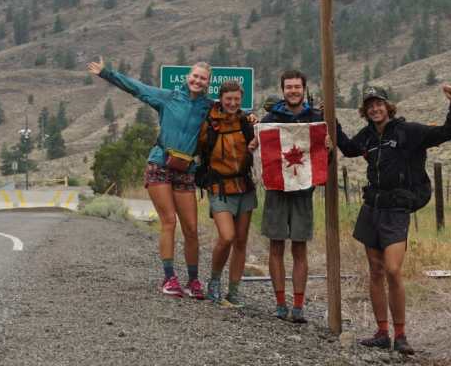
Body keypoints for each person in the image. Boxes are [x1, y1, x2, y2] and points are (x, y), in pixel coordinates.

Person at [88, 56, 213, 299]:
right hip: (160, 165)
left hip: (186, 170)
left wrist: (250, 117)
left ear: (208, 83)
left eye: (203, 79)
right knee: (169, 221)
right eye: (195, 76)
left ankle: (194, 281)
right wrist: (107, 73)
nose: (198, 81)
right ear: (188, 77)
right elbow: (136, 88)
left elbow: (232, 113)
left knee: (191, 228)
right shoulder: (168, 98)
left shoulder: (208, 107)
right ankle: (169, 279)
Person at [349, 84, 451, 355]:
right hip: (372, 207)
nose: (375, 109)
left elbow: (447, 132)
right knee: (375, 270)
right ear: (365, 111)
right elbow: (347, 148)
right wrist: (328, 121)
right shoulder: (366, 136)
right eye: (370, 106)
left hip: (396, 209)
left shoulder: (408, 131)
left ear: (388, 106)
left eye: (379, 104)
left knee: (392, 269)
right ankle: (381, 333)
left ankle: (400, 335)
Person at [254, 70, 325, 323]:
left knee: (299, 246)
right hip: (277, 189)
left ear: (304, 89)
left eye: (297, 87)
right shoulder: (270, 119)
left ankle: (298, 306)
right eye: (289, 87)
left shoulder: (316, 118)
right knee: (276, 245)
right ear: (283, 90)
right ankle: (280, 303)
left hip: (304, 191)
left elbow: (324, 152)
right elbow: (258, 151)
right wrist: (254, 145)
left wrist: (328, 145)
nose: (293, 91)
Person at [197, 80, 257, 308]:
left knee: (241, 241)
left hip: (244, 186)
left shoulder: (246, 122)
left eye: (236, 99)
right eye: (228, 99)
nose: (232, 103)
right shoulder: (209, 123)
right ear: (221, 99)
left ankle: (234, 291)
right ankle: (214, 281)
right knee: (227, 237)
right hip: (218, 187)